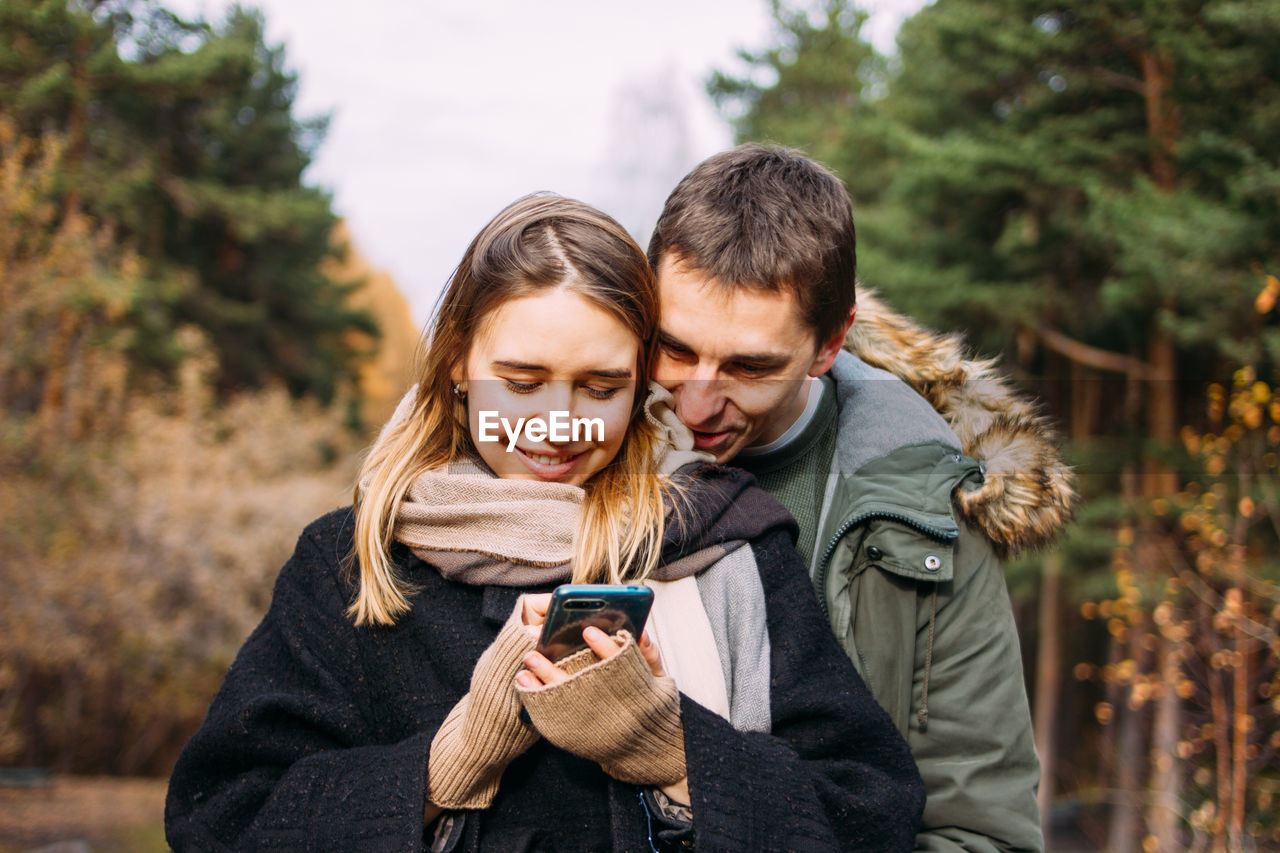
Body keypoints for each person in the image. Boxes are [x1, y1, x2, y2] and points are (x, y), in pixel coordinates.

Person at [164, 193, 926, 852]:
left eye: (601, 386)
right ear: (458, 360)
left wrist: (675, 751)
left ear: (640, 387)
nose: (557, 422)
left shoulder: (727, 546)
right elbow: (218, 819)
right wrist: (444, 766)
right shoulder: (353, 561)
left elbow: (873, 814)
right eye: (522, 381)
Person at [647, 144, 1077, 852]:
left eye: (750, 365)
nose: (697, 401)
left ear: (829, 341)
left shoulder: (930, 512)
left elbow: (980, 830)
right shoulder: (567, 452)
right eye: (675, 349)